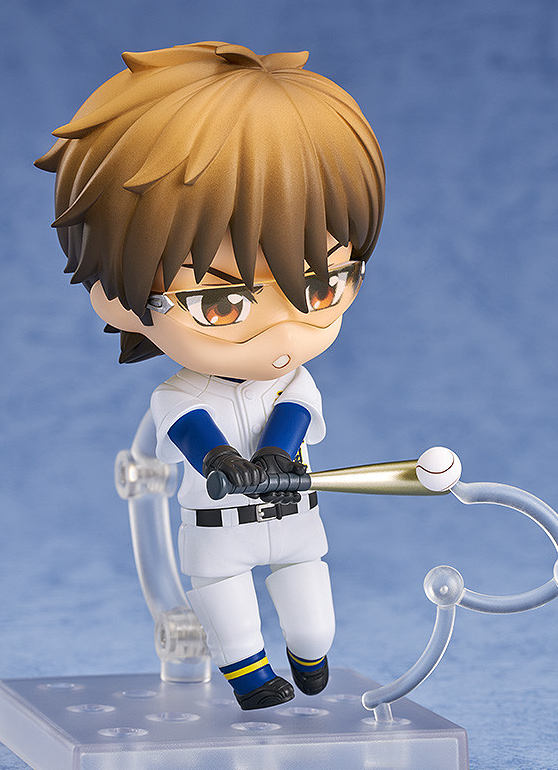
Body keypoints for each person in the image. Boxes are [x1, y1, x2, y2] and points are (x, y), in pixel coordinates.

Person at [36, 41, 385, 709]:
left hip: (294, 521)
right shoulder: (180, 393)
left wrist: (277, 454)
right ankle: (251, 679)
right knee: (228, 613)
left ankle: (308, 659)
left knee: (314, 622)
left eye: (322, 287)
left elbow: (296, 412)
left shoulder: (291, 383)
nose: (285, 333)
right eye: (221, 303)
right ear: (118, 299)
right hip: (217, 529)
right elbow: (193, 434)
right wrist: (224, 460)